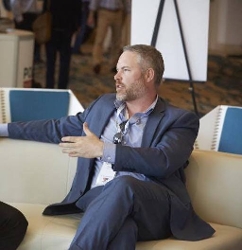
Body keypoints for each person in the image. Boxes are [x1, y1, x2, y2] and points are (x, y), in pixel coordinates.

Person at [0, 44, 215, 249]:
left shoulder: (179, 120)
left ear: (149, 75)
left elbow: (163, 161)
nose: (116, 76)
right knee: (122, 230)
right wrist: (3, 129)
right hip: (98, 203)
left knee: (123, 184)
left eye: (125, 70)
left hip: (152, 208)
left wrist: (103, 149)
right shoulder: (103, 105)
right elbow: (57, 128)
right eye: (117, 69)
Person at [43, 0, 82, 89]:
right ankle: (62, 87)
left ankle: (49, 86)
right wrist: (77, 26)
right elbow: (78, 10)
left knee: (50, 62)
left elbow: (45, 8)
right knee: (65, 61)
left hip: (51, 27)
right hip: (67, 29)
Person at [88, 0, 131, 74]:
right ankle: (96, 62)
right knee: (100, 39)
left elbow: (126, 1)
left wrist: (129, 11)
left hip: (118, 13)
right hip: (104, 11)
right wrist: (91, 13)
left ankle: (113, 64)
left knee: (117, 40)